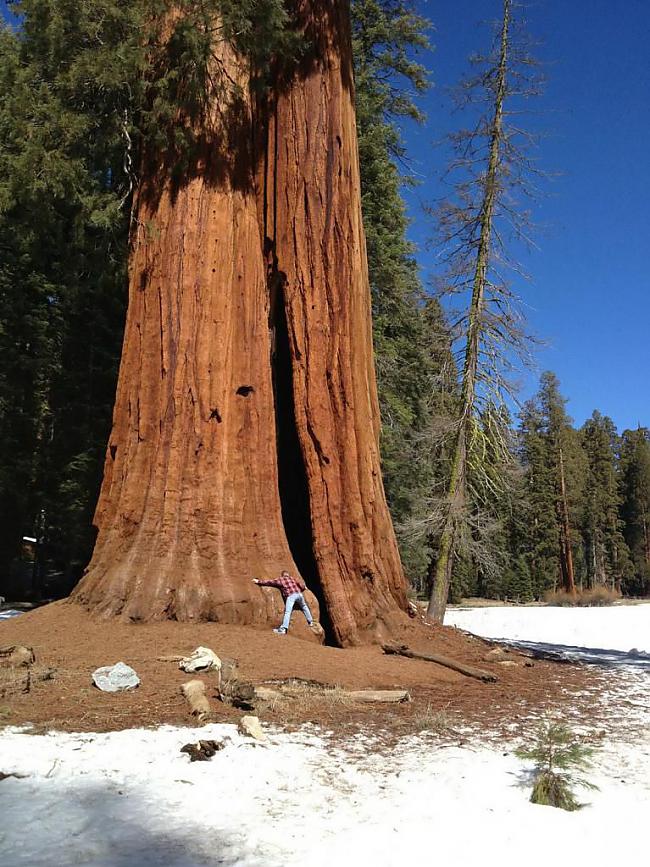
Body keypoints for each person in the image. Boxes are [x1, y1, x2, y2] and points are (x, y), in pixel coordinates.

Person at [253, 570, 316, 635]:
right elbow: (301, 585)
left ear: (282, 575)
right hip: (299, 594)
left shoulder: (281, 579)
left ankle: (283, 629)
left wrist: (258, 581)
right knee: (304, 606)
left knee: (288, 612)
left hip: (291, 596)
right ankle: (311, 622)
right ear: (288, 574)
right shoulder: (292, 578)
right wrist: (304, 588)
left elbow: (270, 582)